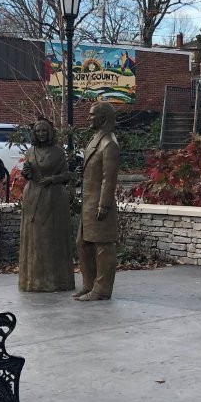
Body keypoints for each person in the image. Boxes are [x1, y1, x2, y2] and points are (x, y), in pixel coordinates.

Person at [18, 119, 75, 293]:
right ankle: (32, 280)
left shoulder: (58, 152)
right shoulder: (30, 151)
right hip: (32, 196)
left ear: (50, 132)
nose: (41, 134)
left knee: (52, 238)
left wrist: (52, 179)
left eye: (44, 131)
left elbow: (67, 175)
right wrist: (26, 173)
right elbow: (28, 172)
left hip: (53, 198)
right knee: (34, 239)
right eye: (38, 131)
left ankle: (55, 281)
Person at [74, 102, 120, 301]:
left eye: (92, 115)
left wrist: (104, 205)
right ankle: (89, 284)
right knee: (83, 244)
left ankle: (101, 289)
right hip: (88, 203)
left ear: (103, 118)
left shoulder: (109, 144)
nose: (88, 118)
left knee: (103, 247)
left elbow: (108, 179)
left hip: (99, 204)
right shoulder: (96, 140)